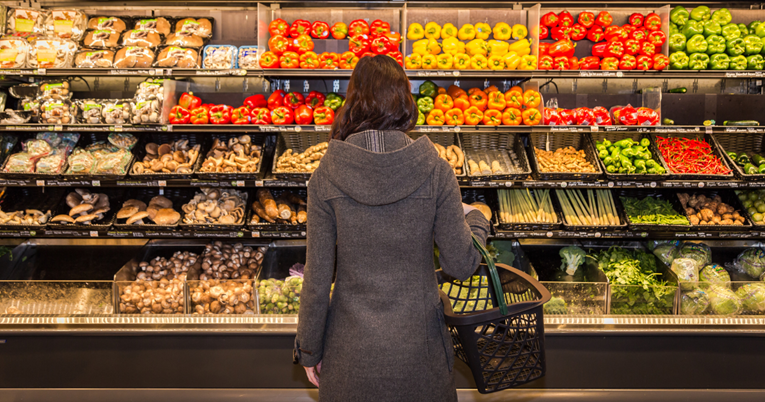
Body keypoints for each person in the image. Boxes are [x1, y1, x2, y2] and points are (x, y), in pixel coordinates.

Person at [294, 55, 490, 402]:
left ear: (352, 101)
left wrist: (309, 350)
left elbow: (317, 276)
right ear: (405, 101)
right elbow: (461, 264)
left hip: (349, 358)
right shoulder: (436, 170)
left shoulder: (325, 175)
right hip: (421, 357)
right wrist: (477, 219)